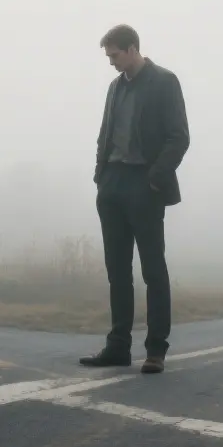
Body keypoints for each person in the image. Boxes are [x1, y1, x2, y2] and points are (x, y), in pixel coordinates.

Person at [79, 24, 190, 374]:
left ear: (131, 49)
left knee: (152, 269)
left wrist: (154, 178)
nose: (110, 62)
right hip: (112, 183)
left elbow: (179, 137)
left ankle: (155, 350)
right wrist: (101, 175)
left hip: (145, 183)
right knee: (117, 270)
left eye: (114, 55)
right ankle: (118, 347)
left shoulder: (164, 81)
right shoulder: (114, 87)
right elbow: (104, 134)